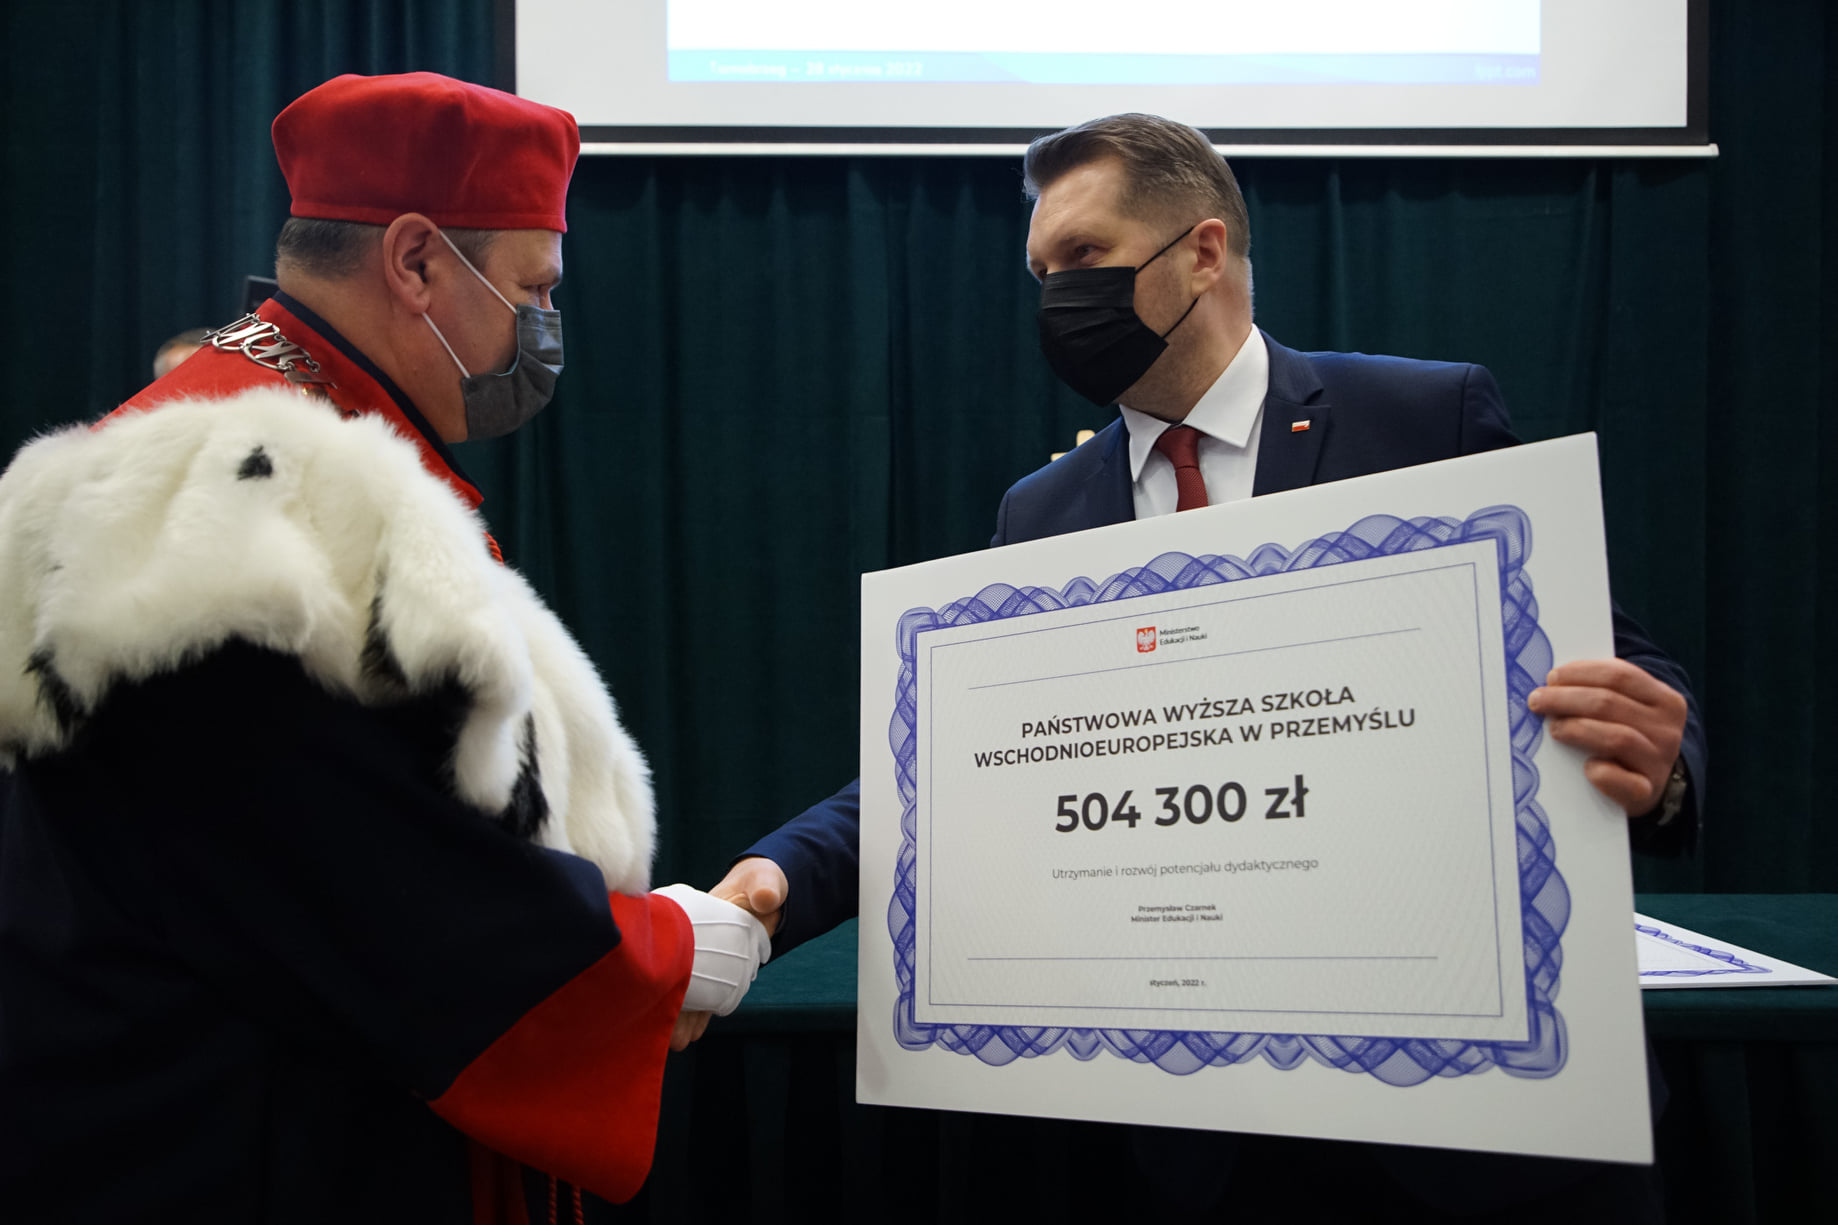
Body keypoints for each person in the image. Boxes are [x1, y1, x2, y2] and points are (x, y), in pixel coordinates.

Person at [682, 113, 1705, 1218]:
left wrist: (1663, 761)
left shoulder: (1422, 415)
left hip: (1466, 1147)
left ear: (1204, 251)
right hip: (1202, 1152)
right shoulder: (1041, 512)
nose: (1056, 297)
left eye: (1083, 256)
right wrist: (773, 876)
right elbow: (950, 769)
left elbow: (1622, 669)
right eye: (1041, 273)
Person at [0, 72, 766, 1223]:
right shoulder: (230, 502)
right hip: (223, 1149)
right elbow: (367, 879)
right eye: (533, 289)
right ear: (414, 263)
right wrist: (659, 952)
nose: (541, 330)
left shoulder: (267, 441)